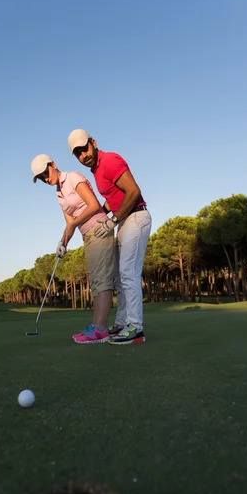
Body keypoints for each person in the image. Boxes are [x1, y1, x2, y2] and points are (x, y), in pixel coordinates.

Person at [68, 130, 152, 345]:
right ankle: (123, 323)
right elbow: (112, 197)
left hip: (136, 217)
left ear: (93, 143)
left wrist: (112, 220)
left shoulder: (110, 160)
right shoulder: (96, 170)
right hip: (125, 220)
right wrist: (101, 216)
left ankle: (136, 328)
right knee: (120, 277)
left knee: (127, 273)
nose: (83, 155)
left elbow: (133, 191)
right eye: (78, 153)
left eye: (85, 149)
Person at [30, 154, 115, 344]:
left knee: (102, 279)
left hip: (99, 228)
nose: (46, 179)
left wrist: (74, 225)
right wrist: (63, 243)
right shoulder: (59, 193)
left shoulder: (73, 178)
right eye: (41, 178)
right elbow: (70, 224)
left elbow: (93, 205)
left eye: (46, 173)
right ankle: (96, 326)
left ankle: (101, 329)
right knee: (96, 281)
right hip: (88, 234)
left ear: (53, 164)